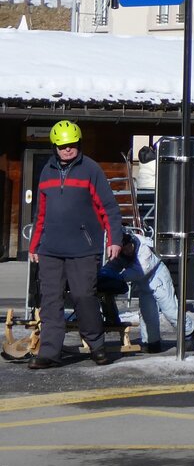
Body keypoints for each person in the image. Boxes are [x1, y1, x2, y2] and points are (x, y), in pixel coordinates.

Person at [27, 120, 124, 369]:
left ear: (79, 144)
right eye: (62, 146)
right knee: (50, 300)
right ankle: (49, 352)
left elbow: (109, 208)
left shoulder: (90, 169)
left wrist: (115, 239)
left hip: (84, 248)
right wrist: (34, 245)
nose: (67, 149)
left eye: (71, 145)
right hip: (50, 249)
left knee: (83, 296)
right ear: (54, 147)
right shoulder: (47, 171)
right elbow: (41, 213)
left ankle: (97, 346)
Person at [112, 231, 194, 353]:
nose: (127, 251)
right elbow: (113, 264)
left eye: (129, 247)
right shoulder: (121, 253)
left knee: (170, 310)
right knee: (147, 314)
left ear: (132, 243)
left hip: (158, 278)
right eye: (124, 249)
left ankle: (190, 332)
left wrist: (118, 277)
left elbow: (140, 271)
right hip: (144, 284)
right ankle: (151, 342)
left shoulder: (143, 247)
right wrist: (106, 274)